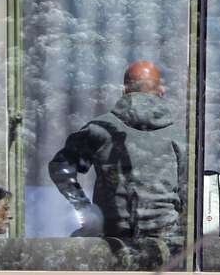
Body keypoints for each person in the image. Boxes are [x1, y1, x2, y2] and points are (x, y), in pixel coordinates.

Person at [48, 61, 185, 244]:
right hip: (165, 245)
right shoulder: (178, 136)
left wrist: (83, 207)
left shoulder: (100, 130)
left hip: (112, 243)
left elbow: (60, 167)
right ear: (161, 92)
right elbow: (189, 193)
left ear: (124, 91)